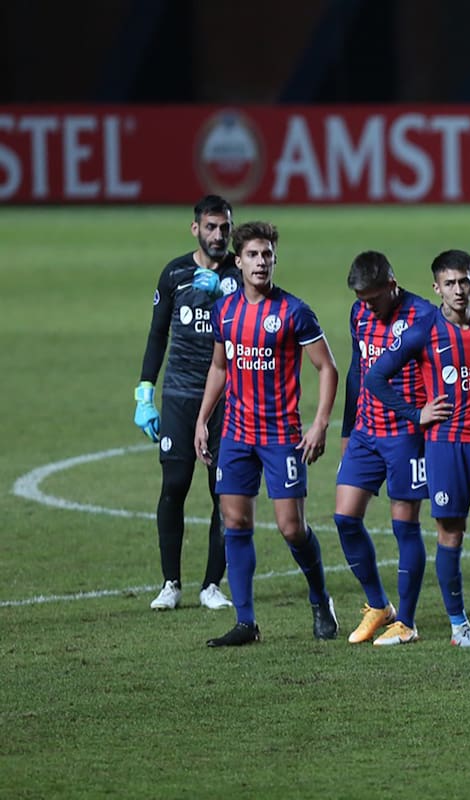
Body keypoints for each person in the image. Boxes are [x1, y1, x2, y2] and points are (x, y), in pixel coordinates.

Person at [365, 249, 470, 649]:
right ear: (437, 288)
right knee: (451, 533)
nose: (458, 289)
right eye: (450, 283)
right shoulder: (423, 332)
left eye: (464, 281)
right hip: (445, 445)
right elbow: (376, 377)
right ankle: (458, 627)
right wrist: (414, 413)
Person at [195, 221, 340, 647]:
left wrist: (320, 422)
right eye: (254, 255)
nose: (261, 262)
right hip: (237, 433)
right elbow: (221, 368)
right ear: (237, 261)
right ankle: (246, 623)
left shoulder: (294, 311)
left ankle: (320, 599)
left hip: (281, 435)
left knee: (291, 528)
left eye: (268, 255)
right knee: (234, 521)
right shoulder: (226, 311)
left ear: (276, 260)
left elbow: (327, 367)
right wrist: (203, 419)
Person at [134, 195, 240, 611]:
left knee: (223, 492)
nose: (218, 235)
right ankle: (170, 583)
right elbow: (158, 333)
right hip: (179, 394)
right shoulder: (175, 273)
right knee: (174, 486)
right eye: (210, 227)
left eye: (224, 228)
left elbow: (253, 319)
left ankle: (212, 584)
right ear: (195, 228)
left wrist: (223, 296)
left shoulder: (241, 275)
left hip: (226, 399)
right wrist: (145, 391)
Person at [335, 251, 437, 646]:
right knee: (345, 518)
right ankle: (379, 606)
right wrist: (346, 430)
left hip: (407, 435)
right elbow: (357, 371)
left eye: (374, 299)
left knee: (404, 525)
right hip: (365, 433)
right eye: (361, 299)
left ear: (392, 285)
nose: (367, 306)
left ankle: (407, 623)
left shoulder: (423, 316)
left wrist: (423, 417)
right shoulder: (358, 314)